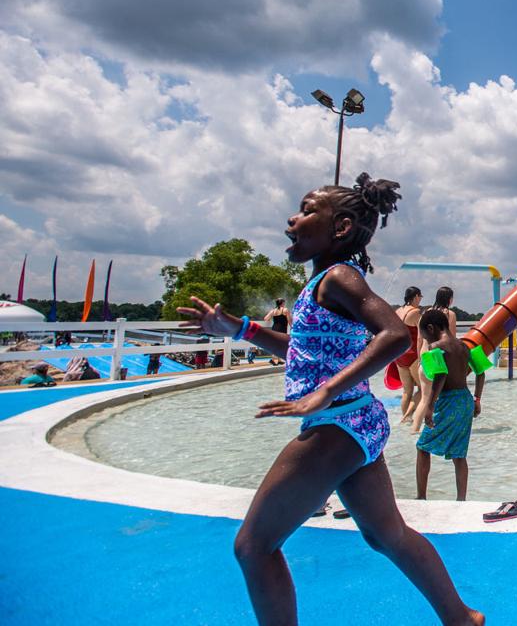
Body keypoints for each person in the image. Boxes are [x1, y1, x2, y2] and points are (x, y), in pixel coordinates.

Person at [177, 173, 481, 626]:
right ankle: (462, 619)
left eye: (305, 210)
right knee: (388, 536)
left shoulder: (338, 277)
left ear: (339, 227)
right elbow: (300, 349)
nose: (292, 218)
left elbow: (396, 335)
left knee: (253, 546)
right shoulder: (322, 284)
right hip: (357, 422)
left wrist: (324, 392)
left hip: (338, 425)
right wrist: (239, 329)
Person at [415, 309, 489, 502]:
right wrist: (477, 399)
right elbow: (481, 372)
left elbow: (441, 375)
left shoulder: (436, 347)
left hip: (448, 400)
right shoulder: (465, 346)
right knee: (459, 453)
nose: (424, 338)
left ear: (431, 328)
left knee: (423, 447)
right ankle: (461, 499)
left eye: (423, 333)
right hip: (465, 399)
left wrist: (429, 406)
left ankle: (421, 496)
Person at [411, 287, 457, 433]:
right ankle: (443, 428)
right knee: (443, 396)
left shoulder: (425, 313)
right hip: (439, 357)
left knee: (425, 398)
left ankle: (414, 429)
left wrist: (419, 358)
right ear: (449, 299)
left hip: (425, 356)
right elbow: (452, 339)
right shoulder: (449, 314)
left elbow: (419, 339)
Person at [386, 286, 423, 423]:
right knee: (423, 389)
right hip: (413, 354)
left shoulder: (398, 311)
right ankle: (408, 415)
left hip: (400, 354)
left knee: (407, 391)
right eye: (420, 297)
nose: (420, 301)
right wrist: (421, 357)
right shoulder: (415, 312)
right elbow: (420, 336)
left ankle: (406, 420)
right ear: (416, 297)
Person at [263, 298, 292, 365]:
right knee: (281, 344)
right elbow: (289, 321)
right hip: (282, 329)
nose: (284, 304)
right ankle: (275, 360)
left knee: (275, 344)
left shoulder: (273, 311)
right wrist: (292, 327)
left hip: (274, 328)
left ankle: (277, 360)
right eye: (284, 303)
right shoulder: (285, 310)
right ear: (282, 303)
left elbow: (265, 319)